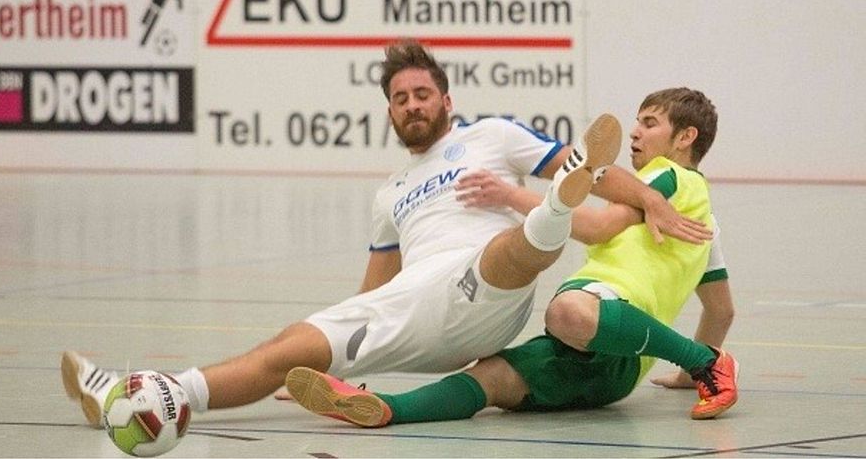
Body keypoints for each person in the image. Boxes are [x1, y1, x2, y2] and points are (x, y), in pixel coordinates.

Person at [61, 40, 710, 427]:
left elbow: (591, 169)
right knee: (286, 347)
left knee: (512, 241)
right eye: (401, 99)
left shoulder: (493, 136)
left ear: (446, 100)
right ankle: (152, 395)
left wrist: (650, 198)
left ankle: (551, 213)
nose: (413, 105)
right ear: (391, 113)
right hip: (419, 309)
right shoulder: (389, 193)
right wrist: (342, 347)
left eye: (423, 94)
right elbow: (376, 287)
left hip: (488, 287)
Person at [285, 86, 738, 427]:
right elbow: (721, 310)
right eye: (636, 121)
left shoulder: (669, 177)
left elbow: (597, 227)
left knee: (565, 311)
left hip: (599, 318)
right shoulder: (705, 226)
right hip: (619, 370)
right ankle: (387, 410)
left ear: (686, 138)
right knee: (491, 378)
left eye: (650, 123)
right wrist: (683, 373)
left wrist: (512, 196)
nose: (636, 132)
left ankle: (703, 363)